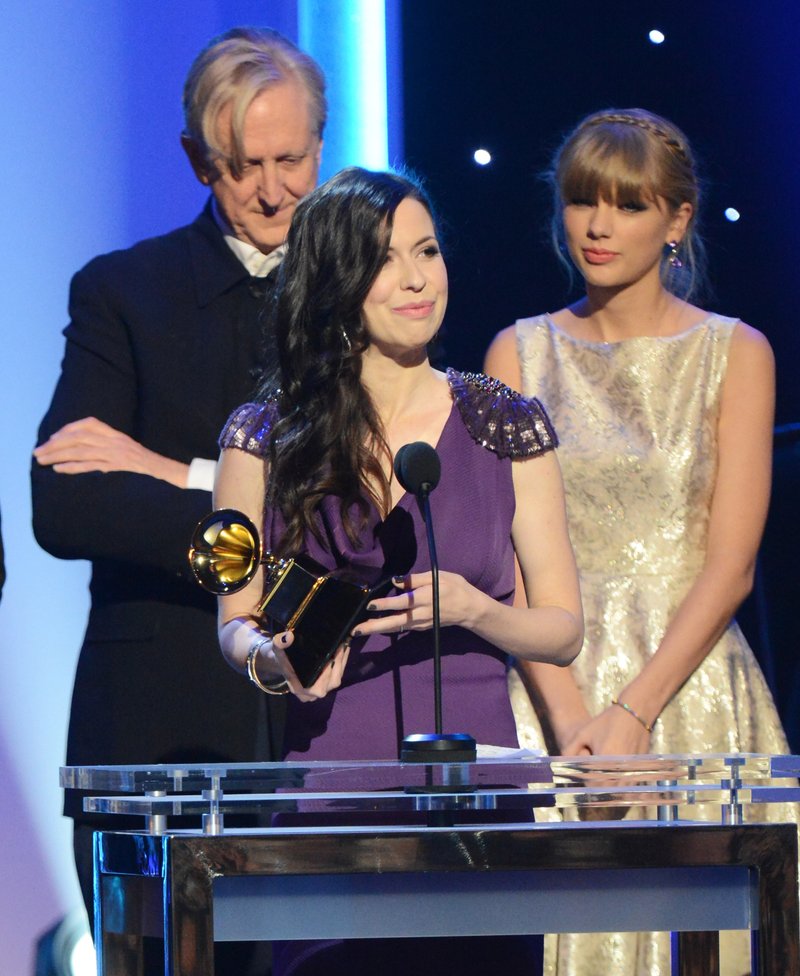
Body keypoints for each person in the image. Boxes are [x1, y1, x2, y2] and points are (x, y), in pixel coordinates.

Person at [213, 165, 584, 974]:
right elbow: (234, 623)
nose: (418, 279)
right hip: (332, 800)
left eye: (428, 251)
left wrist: (475, 609)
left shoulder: (504, 423)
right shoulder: (264, 436)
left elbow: (562, 631)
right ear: (338, 279)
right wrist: (273, 659)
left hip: (478, 809)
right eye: (386, 260)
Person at [30, 25, 325, 962]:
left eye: (292, 160)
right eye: (245, 167)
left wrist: (179, 476)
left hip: (324, 716)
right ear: (199, 161)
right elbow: (69, 506)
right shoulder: (126, 291)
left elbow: (371, 509)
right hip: (156, 720)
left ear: (322, 145)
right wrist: (273, 532)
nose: (273, 191)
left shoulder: (361, 294)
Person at [485, 107, 794, 976]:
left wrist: (631, 716)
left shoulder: (735, 353)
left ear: (677, 220)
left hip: (689, 687)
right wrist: (573, 725)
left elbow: (732, 565)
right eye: (583, 200)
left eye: (627, 205)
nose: (598, 224)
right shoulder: (517, 354)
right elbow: (511, 564)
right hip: (554, 688)